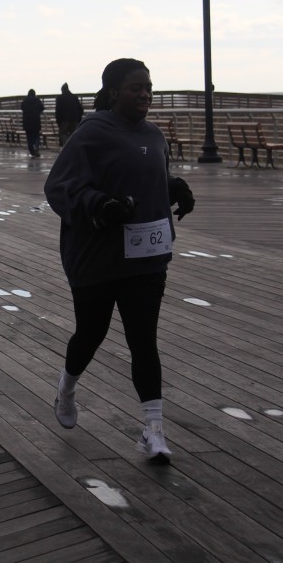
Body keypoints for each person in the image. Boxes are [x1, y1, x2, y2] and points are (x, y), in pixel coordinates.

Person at [43, 58, 195, 465]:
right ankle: (66, 390)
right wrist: (100, 204)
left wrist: (175, 188)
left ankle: (154, 431)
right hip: (97, 257)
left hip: (146, 258)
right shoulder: (92, 133)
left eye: (149, 87)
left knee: (143, 341)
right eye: (136, 87)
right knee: (90, 333)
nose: (145, 94)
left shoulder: (154, 135)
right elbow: (58, 186)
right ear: (113, 92)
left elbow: (147, 178)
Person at [55, 82, 84, 147]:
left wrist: (58, 121)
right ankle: (73, 148)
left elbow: (58, 110)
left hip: (64, 120)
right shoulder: (74, 97)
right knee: (73, 134)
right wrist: (79, 119)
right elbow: (80, 109)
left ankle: (65, 148)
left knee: (64, 134)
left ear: (62, 90)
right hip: (75, 119)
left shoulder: (59, 98)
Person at [20, 89, 45, 158]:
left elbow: (22, 108)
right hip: (36, 121)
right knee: (36, 136)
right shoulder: (37, 100)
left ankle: (32, 152)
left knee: (29, 137)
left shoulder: (25, 100)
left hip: (27, 123)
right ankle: (36, 147)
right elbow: (42, 108)